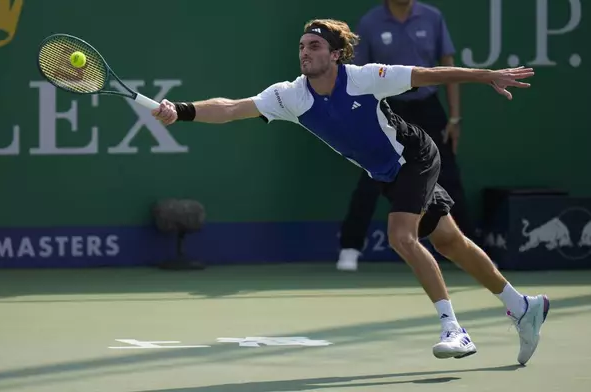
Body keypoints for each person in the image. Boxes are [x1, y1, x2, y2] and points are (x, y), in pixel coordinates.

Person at [151, 19, 549, 364]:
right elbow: (232, 108)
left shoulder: (364, 78)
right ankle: (522, 307)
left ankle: (454, 329)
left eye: (316, 46)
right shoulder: (290, 95)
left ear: (337, 54)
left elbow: (430, 74)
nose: (305, 53)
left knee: (400, 236)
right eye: (302, 47)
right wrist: (182, 110)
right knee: (450, 242)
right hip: (386, 174)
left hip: (414, 157)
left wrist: (486, 76)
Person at [338, 0, 473, 272]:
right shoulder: (370, 22)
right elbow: (355, 78)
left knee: (448, 176)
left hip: (428, 106)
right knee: (371, 176)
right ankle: (350, 247)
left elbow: (447, 65)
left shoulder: (433, 17)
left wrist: (454, 117)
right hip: (387, 107)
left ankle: (467, 250)